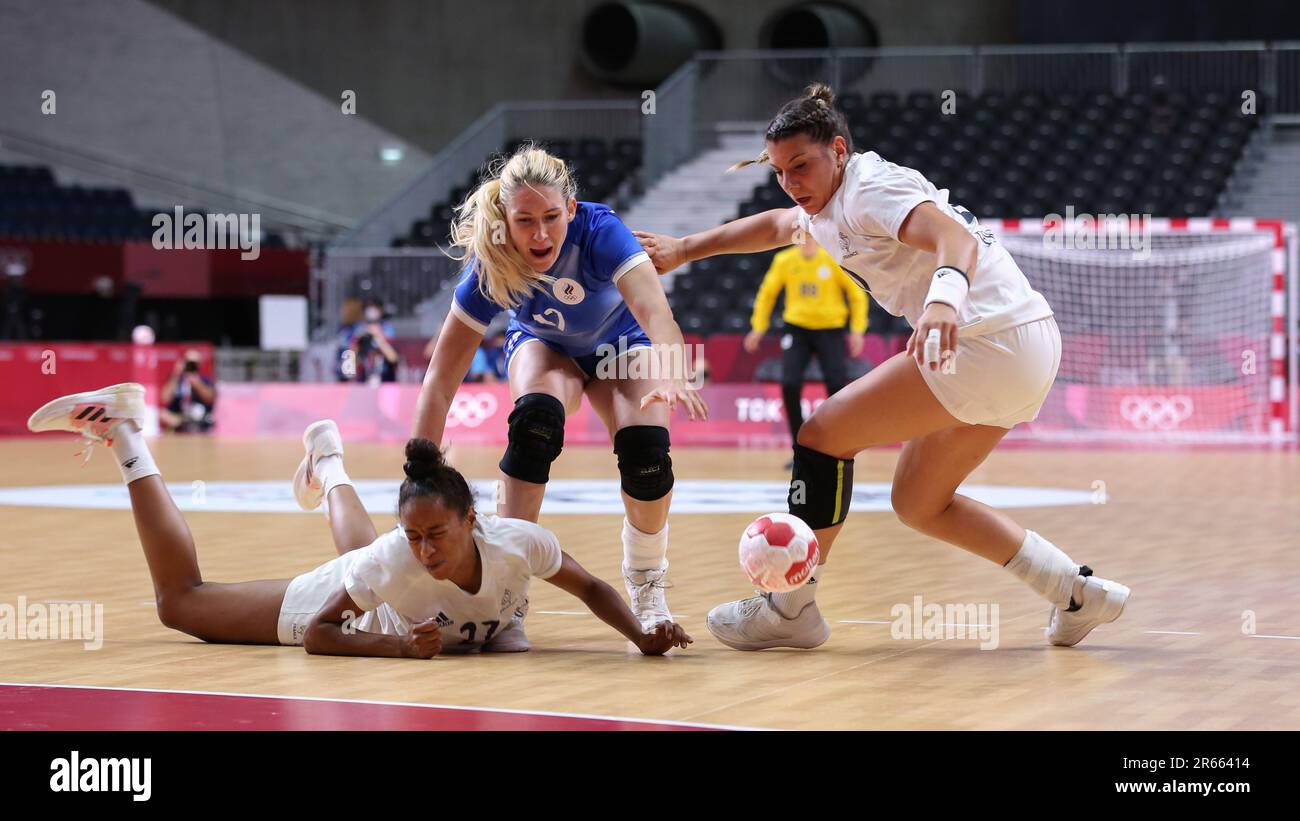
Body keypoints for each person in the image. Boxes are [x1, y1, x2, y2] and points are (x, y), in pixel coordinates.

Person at [634, 83, 1130, 651]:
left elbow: (954, 237)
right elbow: (775, 227)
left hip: (984, 336)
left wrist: (943, 301)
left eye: (801, 166)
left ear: (839, 151)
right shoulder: (824, 204)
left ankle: (790, 609)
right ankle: (1076, 592)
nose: (791, 183)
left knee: (822, 435)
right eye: (778, 171)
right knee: (921, 502)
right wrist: (685, 248)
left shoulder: (870, 189)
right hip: (1025, 344)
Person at [25, 383, 692, 657]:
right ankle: (125, 431)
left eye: (438, 533)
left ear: (473, 519)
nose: (427, 549)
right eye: (415, 534)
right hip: (339, 610)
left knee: (370, 561)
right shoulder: (397, 557)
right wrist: (399, 649)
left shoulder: (520, 542)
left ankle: (329, 457)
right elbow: (320, 632)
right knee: (179, 603)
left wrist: (642, 633)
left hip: (373, 584)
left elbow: (594, 587)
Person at [415, 145, 707, 643]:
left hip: (623, 347)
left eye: (552, 216)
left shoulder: (601, 232)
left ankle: (648, 586)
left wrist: (674, 369)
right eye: (525, 220)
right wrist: (418, 471)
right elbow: (441, 378)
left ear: (572, 209)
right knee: (535, 426)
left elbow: (656, 311)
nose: (541, 233)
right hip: (547, 348)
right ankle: (506, 598)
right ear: (505, 220)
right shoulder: (491, 262)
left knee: (647, 456)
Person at [746, 231, 866, 467]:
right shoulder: (785, 260)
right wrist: (758, 327)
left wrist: (857, 330)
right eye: (801, 237)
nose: (806, 241)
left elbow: (856, 294)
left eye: (810, 236)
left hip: (830, 330)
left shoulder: (831, 259)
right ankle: (799, 449)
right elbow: (766, 295)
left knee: (835, 386)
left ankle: (837, 446)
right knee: (789, 383)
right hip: (797, 329)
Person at [160, 348, 216, 433]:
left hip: (198, 415)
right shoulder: (176, 380)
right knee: (163, 414)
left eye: (193, 363)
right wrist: (176, 374)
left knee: (200, 413)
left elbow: (209, 399)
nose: (190, 366)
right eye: (188, 362)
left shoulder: (204, 380)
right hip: (179, 415)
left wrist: (196, 383)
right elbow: (165, 398)